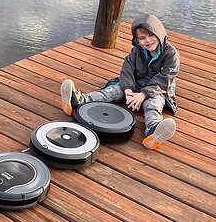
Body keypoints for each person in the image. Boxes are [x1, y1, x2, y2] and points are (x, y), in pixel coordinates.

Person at [60, 13, 179, 150]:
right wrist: (128, 90)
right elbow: (127, 70)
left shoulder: (171, 54)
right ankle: (79, 100)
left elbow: (166, 78)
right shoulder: (136, 52)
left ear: (159, 33)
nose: (148, 40)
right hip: (136, 83)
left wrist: (143, 95)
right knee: (112, 91)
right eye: (142, 38)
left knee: (153, 104)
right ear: (137, 40)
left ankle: (154, 129)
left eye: (151, 35)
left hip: (157, 89)